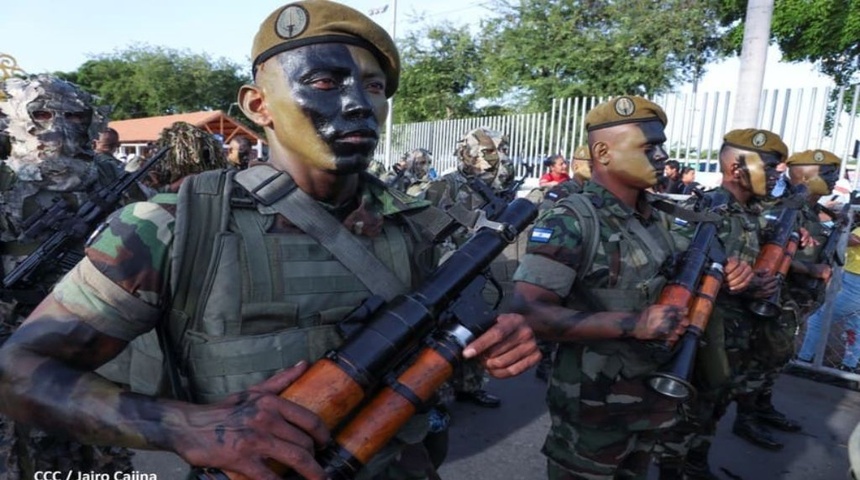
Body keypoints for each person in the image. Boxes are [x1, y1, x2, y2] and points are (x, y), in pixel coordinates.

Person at [0, 4, 540, 480]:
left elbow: (456, 350)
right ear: (258, 106)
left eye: (374, 87)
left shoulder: (419, 225)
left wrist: (493, 344)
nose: (358, 104)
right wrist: (186, 425)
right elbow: (18, 371)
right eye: (326, 83)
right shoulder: (173, 226)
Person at [511, 96, 750, 479]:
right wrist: (633, 323)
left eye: (662, 146)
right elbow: (528, 312)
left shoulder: (660, 220)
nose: (661, 156)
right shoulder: (572, 219)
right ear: (603, 152)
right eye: (649, 147)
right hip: (592, 413)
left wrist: (731, 271)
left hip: (651, 405)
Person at [0, 74, 135, 479]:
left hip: (100, 330)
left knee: (102, 442)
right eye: (40, 114)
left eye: (73, 116)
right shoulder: (5, 182)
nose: (56, 127)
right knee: (24, 444)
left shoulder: (110, 177)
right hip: (18, 331)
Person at [655, 129, 784, 478]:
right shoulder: (706, 207)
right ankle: (671, 469)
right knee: (687, 410)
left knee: (715, 405)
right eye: (770, 165)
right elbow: (675, 265)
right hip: (705, 333)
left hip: (738, 334)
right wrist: (725, 273)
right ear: (735, 170)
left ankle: (696, 465)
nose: (778, 173)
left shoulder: (750, 212)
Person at [422, 126, 515, 409]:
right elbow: (422, 228)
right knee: (443, 332)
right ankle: (437, 389)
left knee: (477, 326)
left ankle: (471, 385)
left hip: (481, 269)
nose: (495, 159)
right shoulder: (444, 186)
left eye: (499, 152)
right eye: (487, 153)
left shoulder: (498, 188)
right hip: (448, 270)